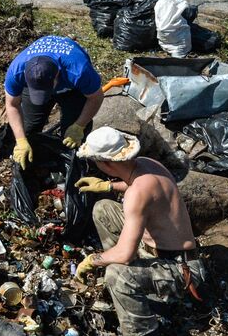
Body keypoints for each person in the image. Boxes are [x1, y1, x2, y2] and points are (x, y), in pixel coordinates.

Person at [73, 126, 207, 336]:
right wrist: (108, 186)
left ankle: (143, 331)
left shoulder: (138, 194)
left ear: (106, 163)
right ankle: (136, 286)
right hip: (161, 249)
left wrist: (92, 260)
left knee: (118, 274)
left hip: (180, 268)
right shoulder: (148, 165)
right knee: (104, 210)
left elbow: (125, 254)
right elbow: (142, 188)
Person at [4, 36, 103, 170]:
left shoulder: (78, 70)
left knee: (72, 137)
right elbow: (12, 104)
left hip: (72, 88)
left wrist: (79, 126)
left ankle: (72, 167)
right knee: (29, 129)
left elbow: (96, 97)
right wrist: (21, 140)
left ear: (57, 75)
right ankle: (33, 166)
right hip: (42, 80)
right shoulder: (17, 70)